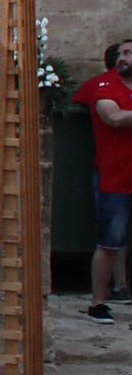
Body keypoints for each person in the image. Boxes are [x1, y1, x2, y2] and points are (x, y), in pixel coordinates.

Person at [71, 41, 132, 322]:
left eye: (129, 53)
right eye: (121, 53)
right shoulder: (106, 86)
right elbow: (114, 117)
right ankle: (98, 303)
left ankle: (122, 287)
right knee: (109, 242)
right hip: (116, 178)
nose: (122, 57)